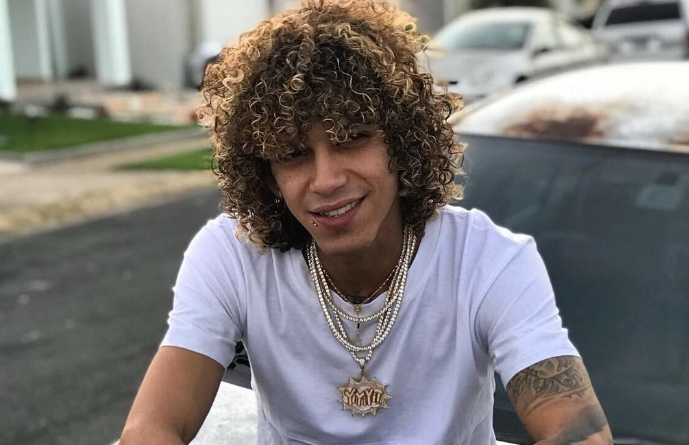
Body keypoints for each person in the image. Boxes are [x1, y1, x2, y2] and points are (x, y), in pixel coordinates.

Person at [120, 1, 614, 444]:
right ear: (268, 176)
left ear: (401, 142)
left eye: (352, 138)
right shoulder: (231, 256)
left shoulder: (489, 262)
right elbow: (151, 428)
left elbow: (579, 433)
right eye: (293, 154)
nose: (327, 179)